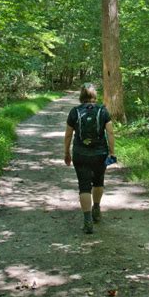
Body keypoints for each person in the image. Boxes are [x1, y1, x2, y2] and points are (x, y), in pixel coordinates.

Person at [64, 83, 115, 234]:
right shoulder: (103, 110)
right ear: (95, 95)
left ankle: (87, 220)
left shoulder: (74, 111)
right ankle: (97, 208)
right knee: (99, 182)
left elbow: (68, 135)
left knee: (84, 186)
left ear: (81, 96)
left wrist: (66, 153)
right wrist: (112, 152)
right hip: (100, 154)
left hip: (81, 154)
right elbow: (110, 133)